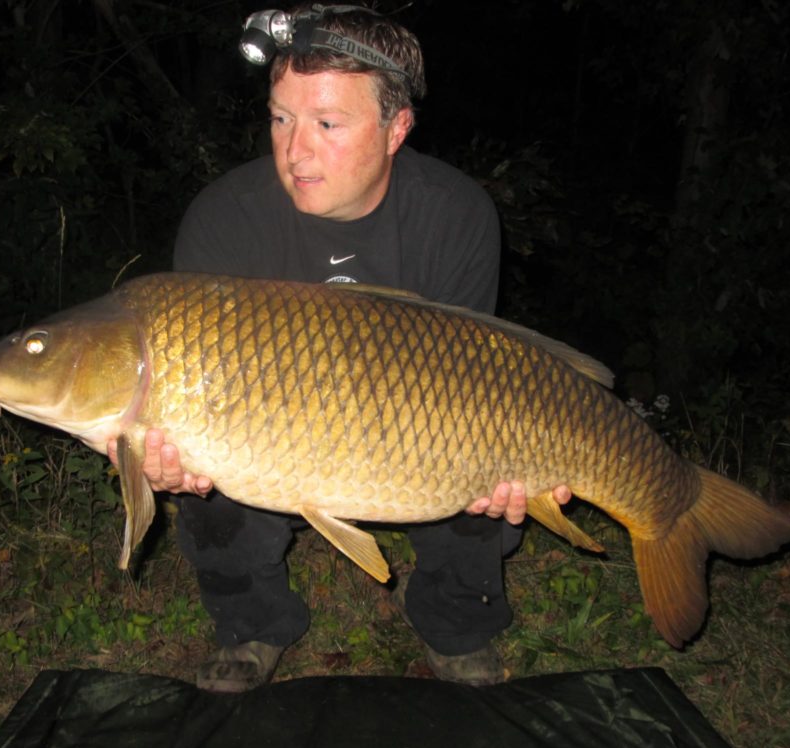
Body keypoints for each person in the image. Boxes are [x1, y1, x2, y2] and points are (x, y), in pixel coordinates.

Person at [140, 3, 572, 693]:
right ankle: (252, 620)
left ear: (396, 128)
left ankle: (456, 625)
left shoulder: (455, 214)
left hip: (419, 427)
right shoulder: (224, 219)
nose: (294, 150)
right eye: (281, 118)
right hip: (268, 431)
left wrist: (504, 455)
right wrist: (162, 453)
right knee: (210, 464)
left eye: (328, 125)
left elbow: (477, 380)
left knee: (486, 460)